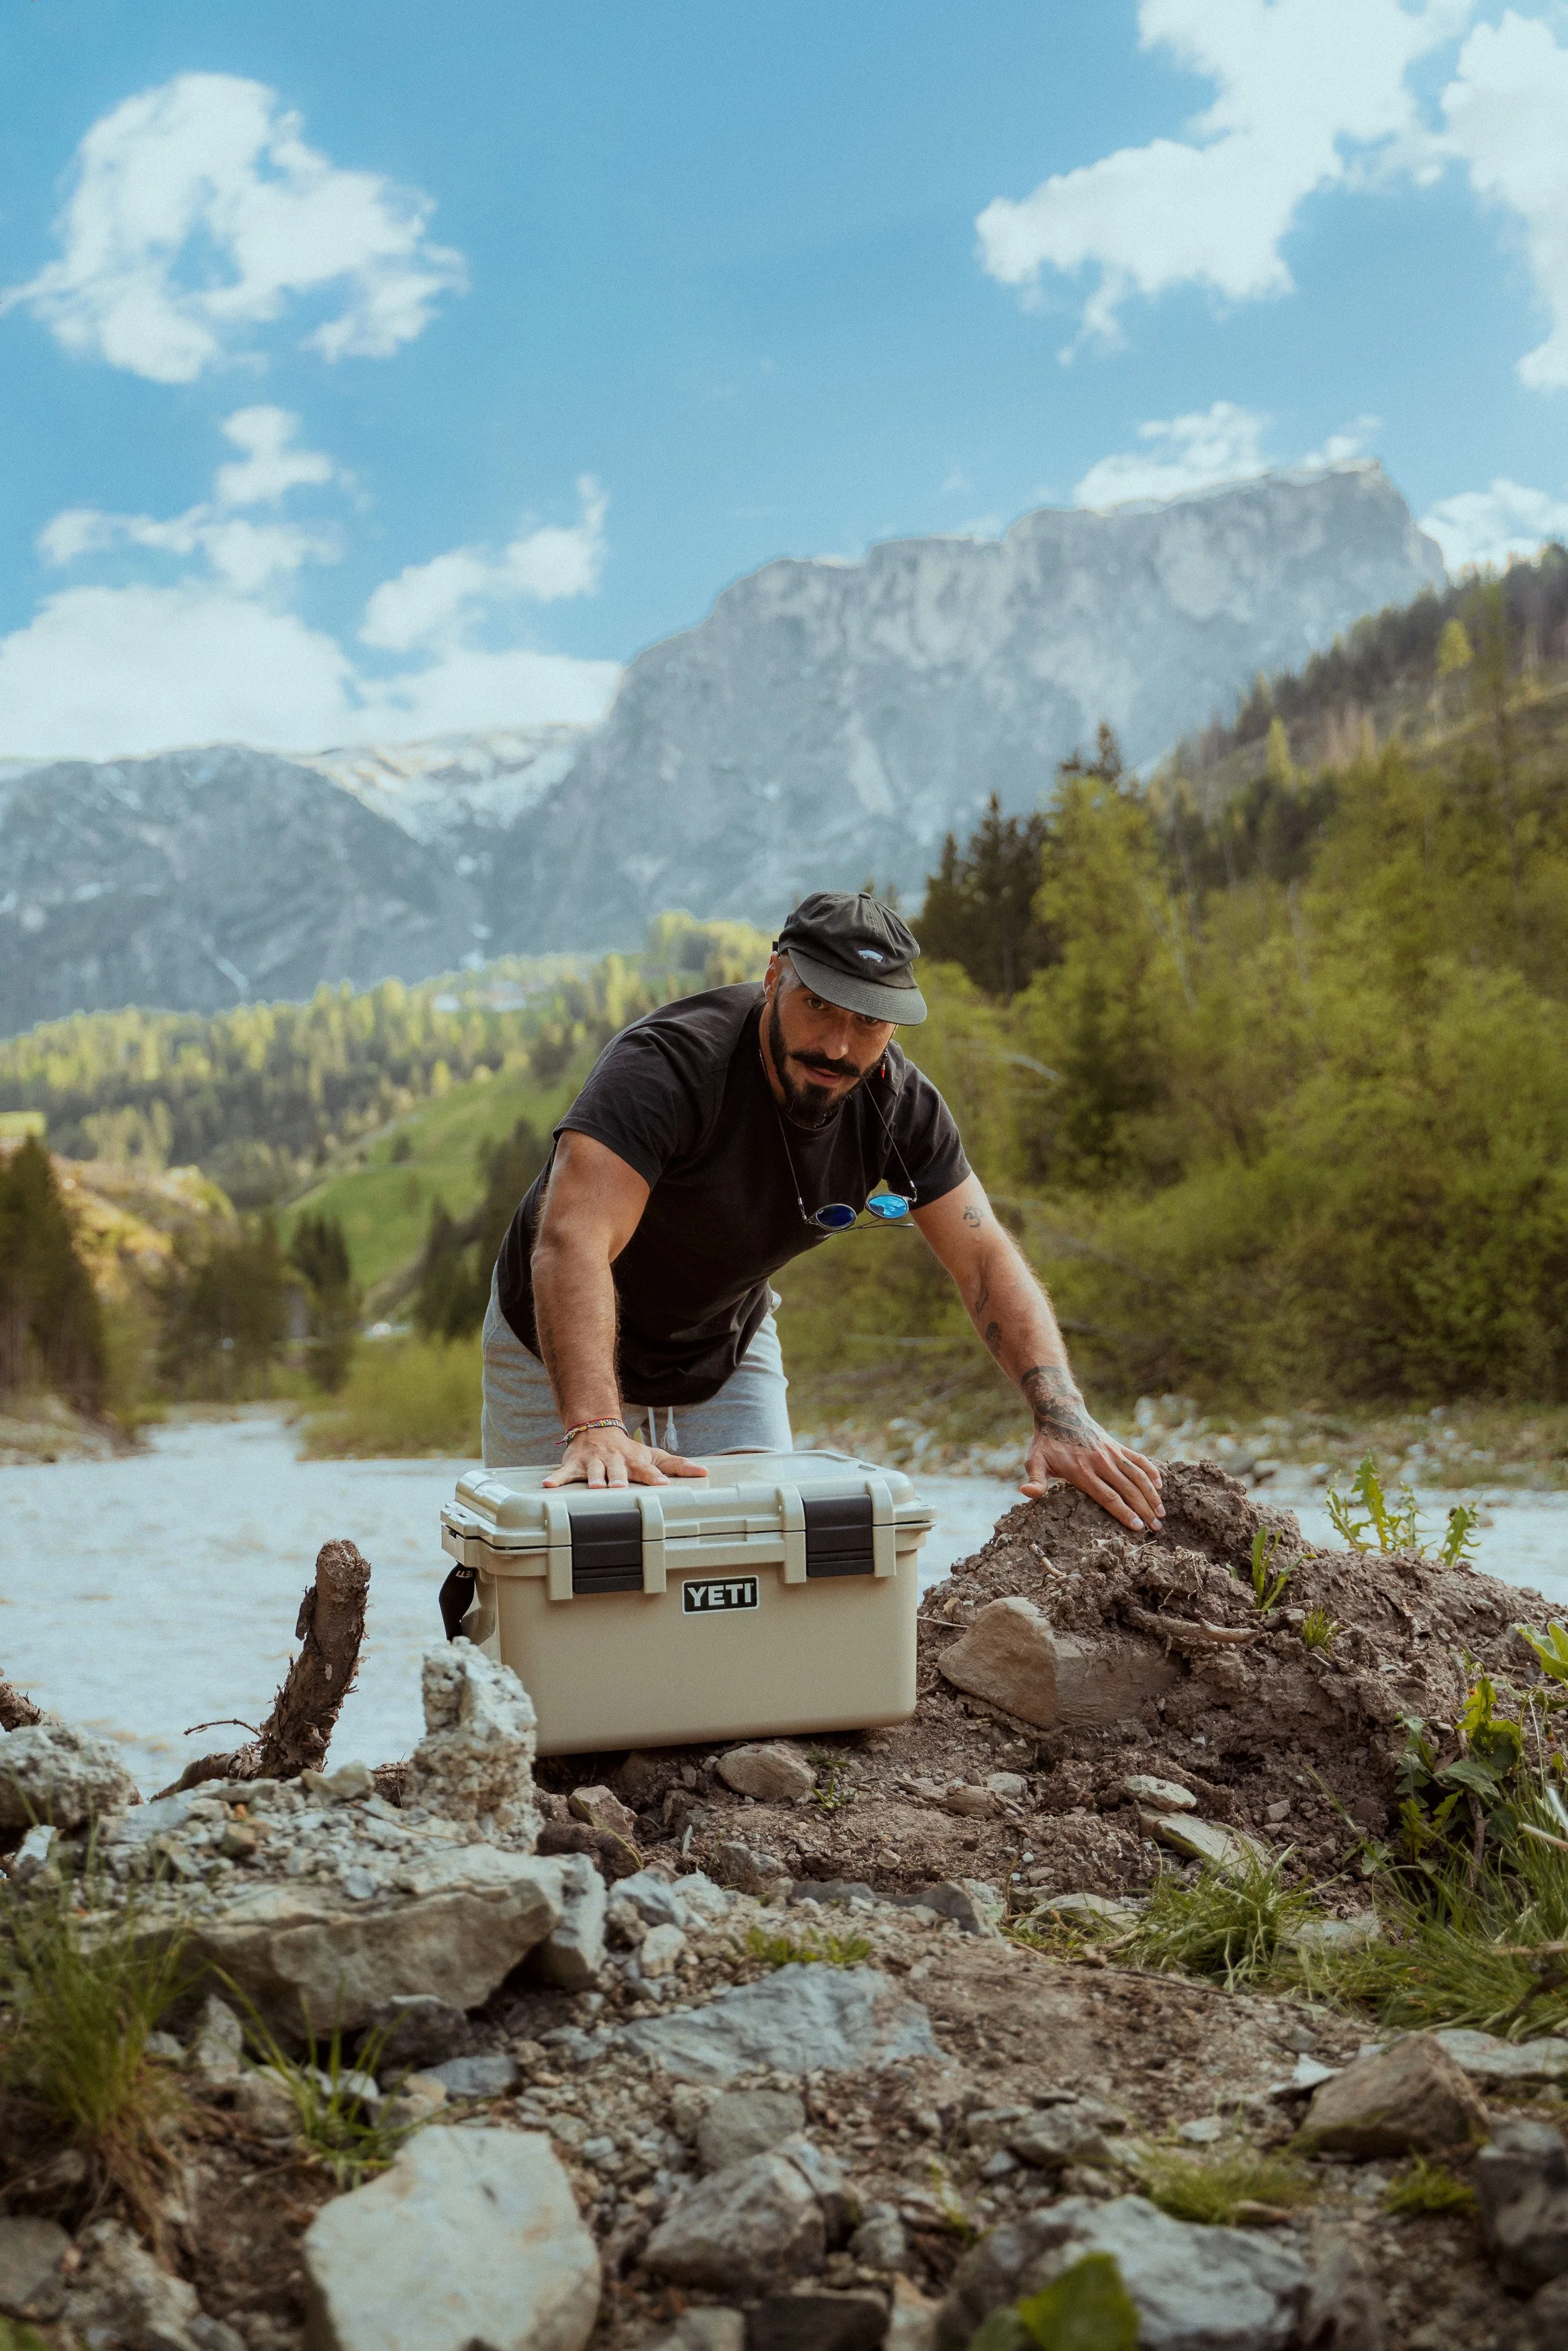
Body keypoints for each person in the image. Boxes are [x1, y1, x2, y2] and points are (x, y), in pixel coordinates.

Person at [483, 891, 1163, 1533]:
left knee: (757, 1553)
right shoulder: (666, 1067)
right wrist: (595, 1421)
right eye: (818, 1005)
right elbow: (572, 1241)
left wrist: (1063, 1417)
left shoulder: (901, 1105)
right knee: (562, 1549)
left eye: (867, 1020)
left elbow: (984, 1258)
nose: (838, 1046)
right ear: (775, 974)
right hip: (555, 1338)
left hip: (725, 1344)